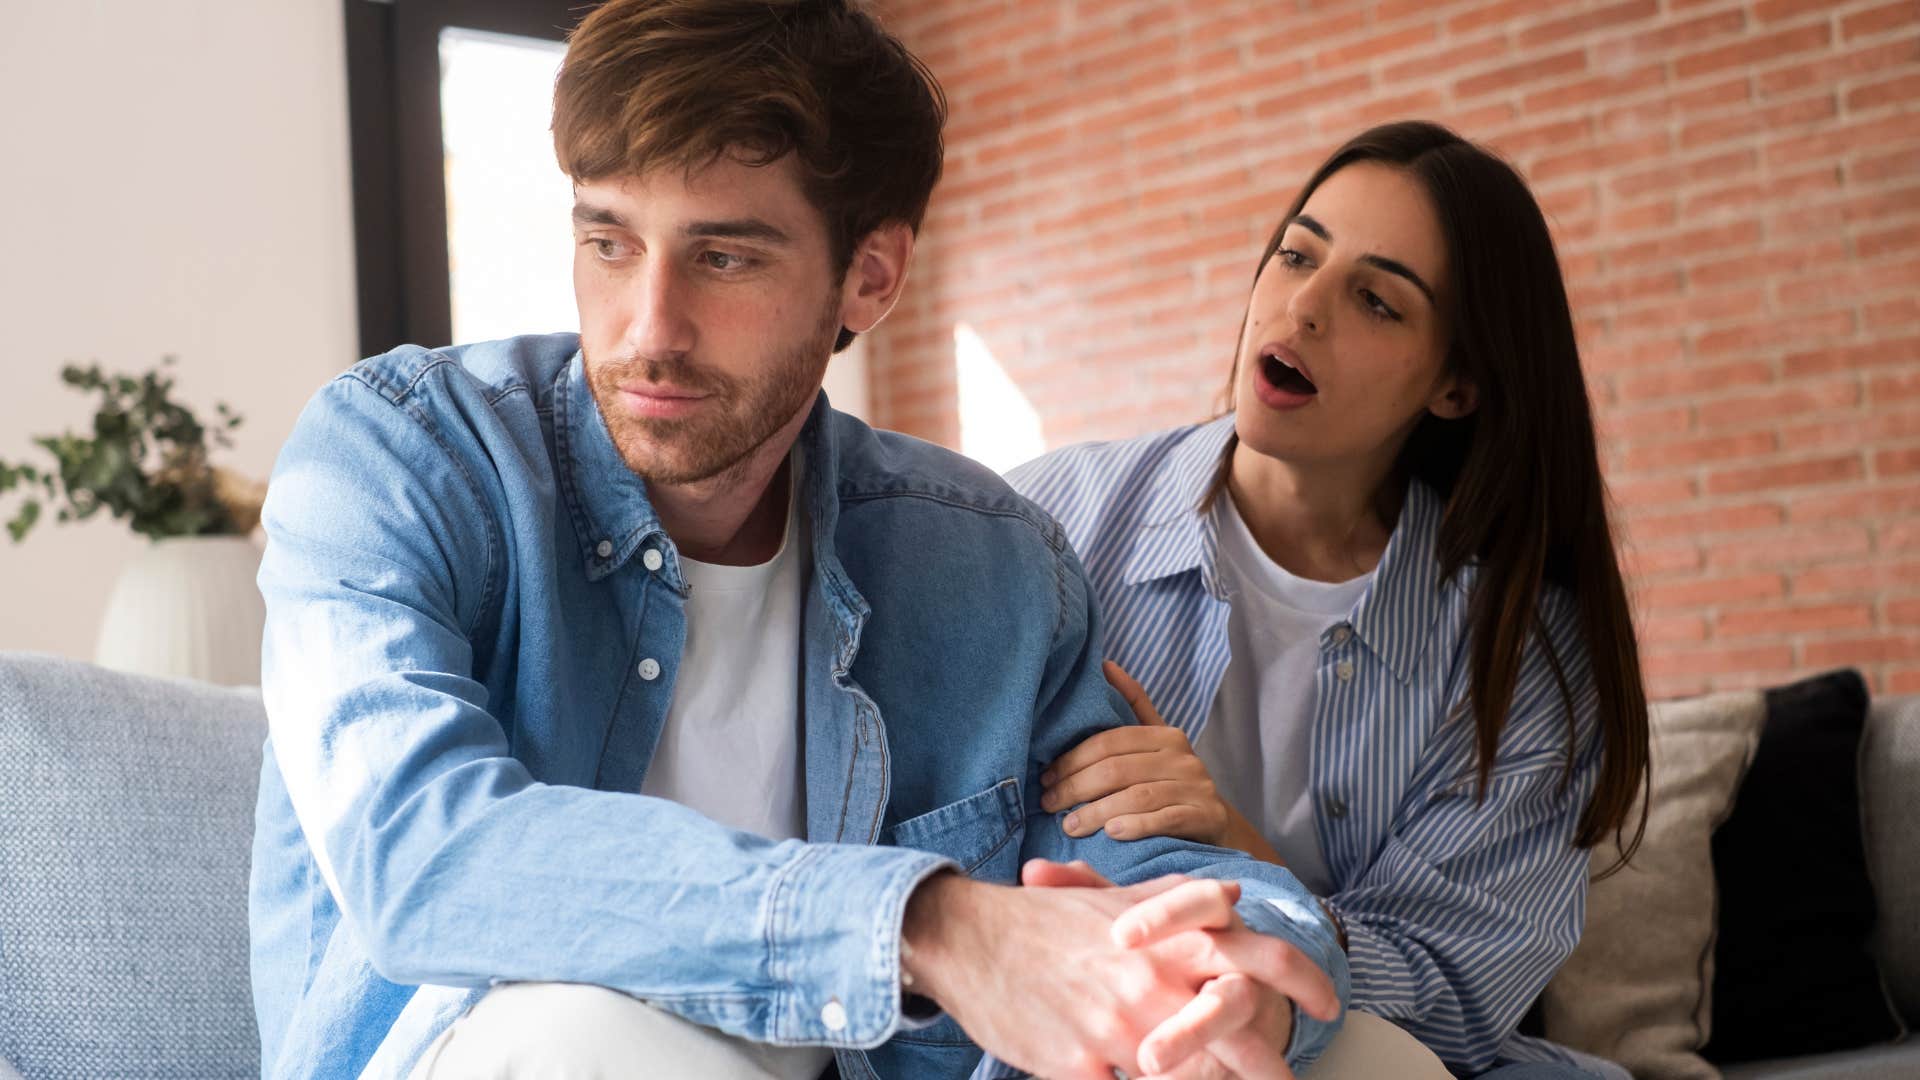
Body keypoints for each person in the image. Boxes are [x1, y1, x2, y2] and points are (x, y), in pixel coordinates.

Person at [247, 1, 1351, 1078]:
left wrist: (1228, 987)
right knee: (591, 1039)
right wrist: (930, 928)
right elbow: (426, 856)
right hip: (502, 1053)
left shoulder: (991, 565)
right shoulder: (401, 456)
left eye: (724, 259)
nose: (649, 328)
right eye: (610, 242)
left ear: (869, 277)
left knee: (1342, 1054)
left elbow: (1165, 878)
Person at [1008, 121, 1651, 1080]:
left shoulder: (1518, 652)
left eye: (1377, 302)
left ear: (1457, 385)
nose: (1302, 307)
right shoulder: (1050, 521)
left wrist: (1230, 843)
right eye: (1296, 254)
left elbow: (1454, 993)